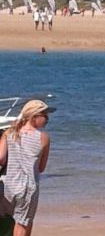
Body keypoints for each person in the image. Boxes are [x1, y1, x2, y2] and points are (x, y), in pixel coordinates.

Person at [0, 100, 56, 236]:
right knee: (22, 223)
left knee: (4, 221)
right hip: (27, 188)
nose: (47, 118)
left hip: (7, 185)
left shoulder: (9, 133)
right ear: (33, 116)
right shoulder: (43, 138)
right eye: (44, 114)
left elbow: (1, 159)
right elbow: (41, 168)